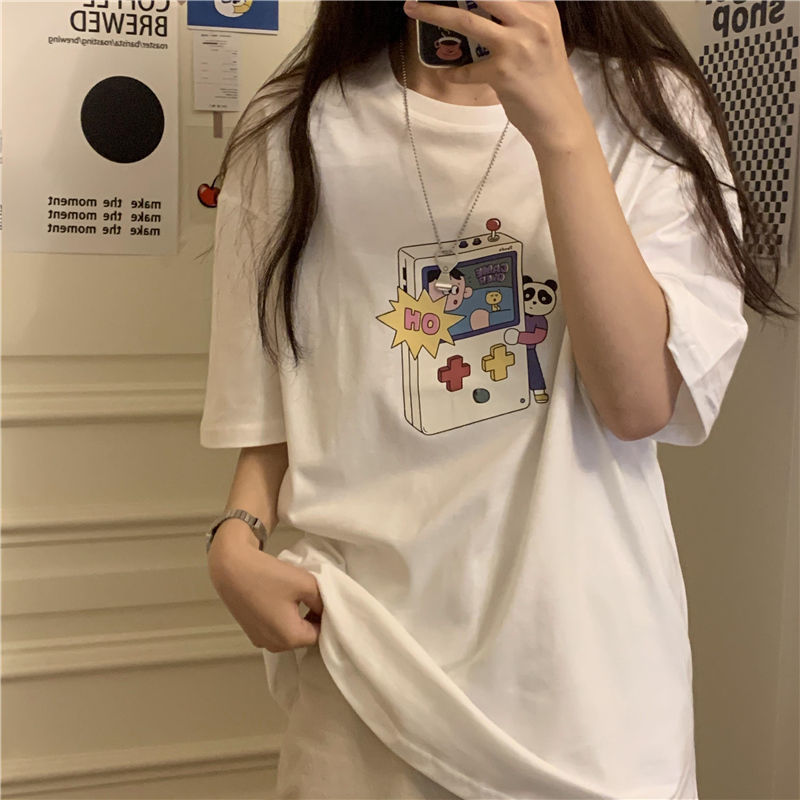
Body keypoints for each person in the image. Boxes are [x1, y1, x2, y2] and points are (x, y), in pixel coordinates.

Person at [200, 2, 797, 798]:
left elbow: (638, 402)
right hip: (365, 682)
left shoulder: (648, 110)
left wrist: (561, 129)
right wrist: (234, 544)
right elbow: (279, 410)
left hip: (591, 707)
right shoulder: (290, 130)